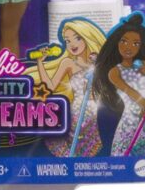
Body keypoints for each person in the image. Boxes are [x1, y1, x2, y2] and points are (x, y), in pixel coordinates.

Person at [31, 19, 106, 157]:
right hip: (75, 111)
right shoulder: (68, 63)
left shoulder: (99, 63)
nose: (72, 44)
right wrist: (40, 63)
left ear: (87, 38)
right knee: (57, 140)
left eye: (77, 38)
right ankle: (68, 164)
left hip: (95, 113)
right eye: (67, 40)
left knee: (89, 147)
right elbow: (50, 86)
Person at [93, 12, 145, 156]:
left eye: (136, 43)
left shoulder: (142, 64)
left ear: (141, 46)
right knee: (122, 152)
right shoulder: (115, 71)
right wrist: (142, 102)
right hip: (130, 118)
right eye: (124, 41)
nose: (129, 47)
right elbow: (127, 90)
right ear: (116, 42)